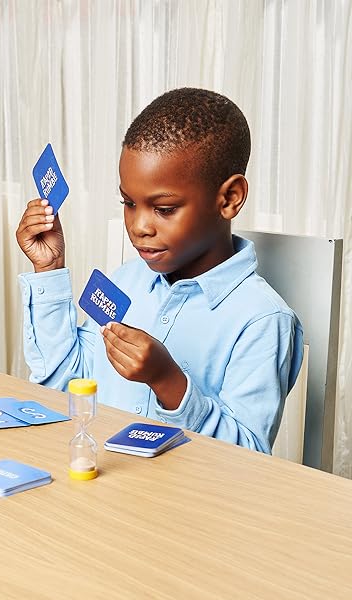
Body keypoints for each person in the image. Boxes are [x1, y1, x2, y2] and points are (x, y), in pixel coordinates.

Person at [15, 87, 303, 453]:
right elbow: (63, 382)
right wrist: (50, 267)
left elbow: (249, 459)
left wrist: (168, 382)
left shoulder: (263, 319)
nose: (139, 226)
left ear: (229, 198)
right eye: (129, 203)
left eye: (164, 209)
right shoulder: (126, 281)